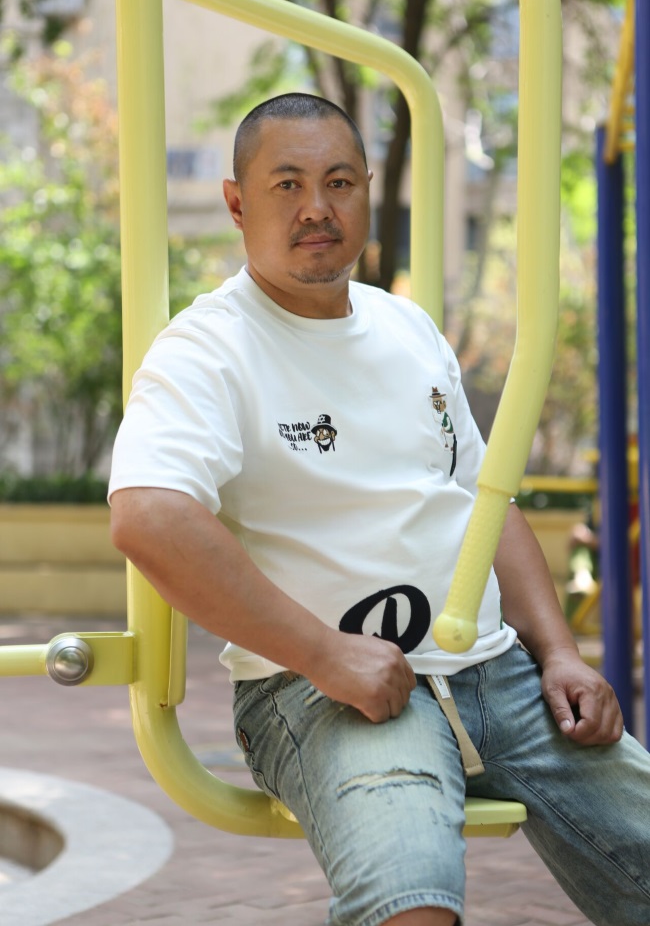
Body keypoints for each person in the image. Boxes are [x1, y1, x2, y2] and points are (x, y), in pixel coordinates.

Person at [108, 93, 650, 926]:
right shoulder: (208, 347)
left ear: (367, 190)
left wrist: (560, 653)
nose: (316, 207)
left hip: (498, 672)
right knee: (410, 900)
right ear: (237, 204)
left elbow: (483, 501)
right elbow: (149, 516)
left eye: (338, 182)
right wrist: (325, 654)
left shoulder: (409, 328)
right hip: (322, 689)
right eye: (287, 184)